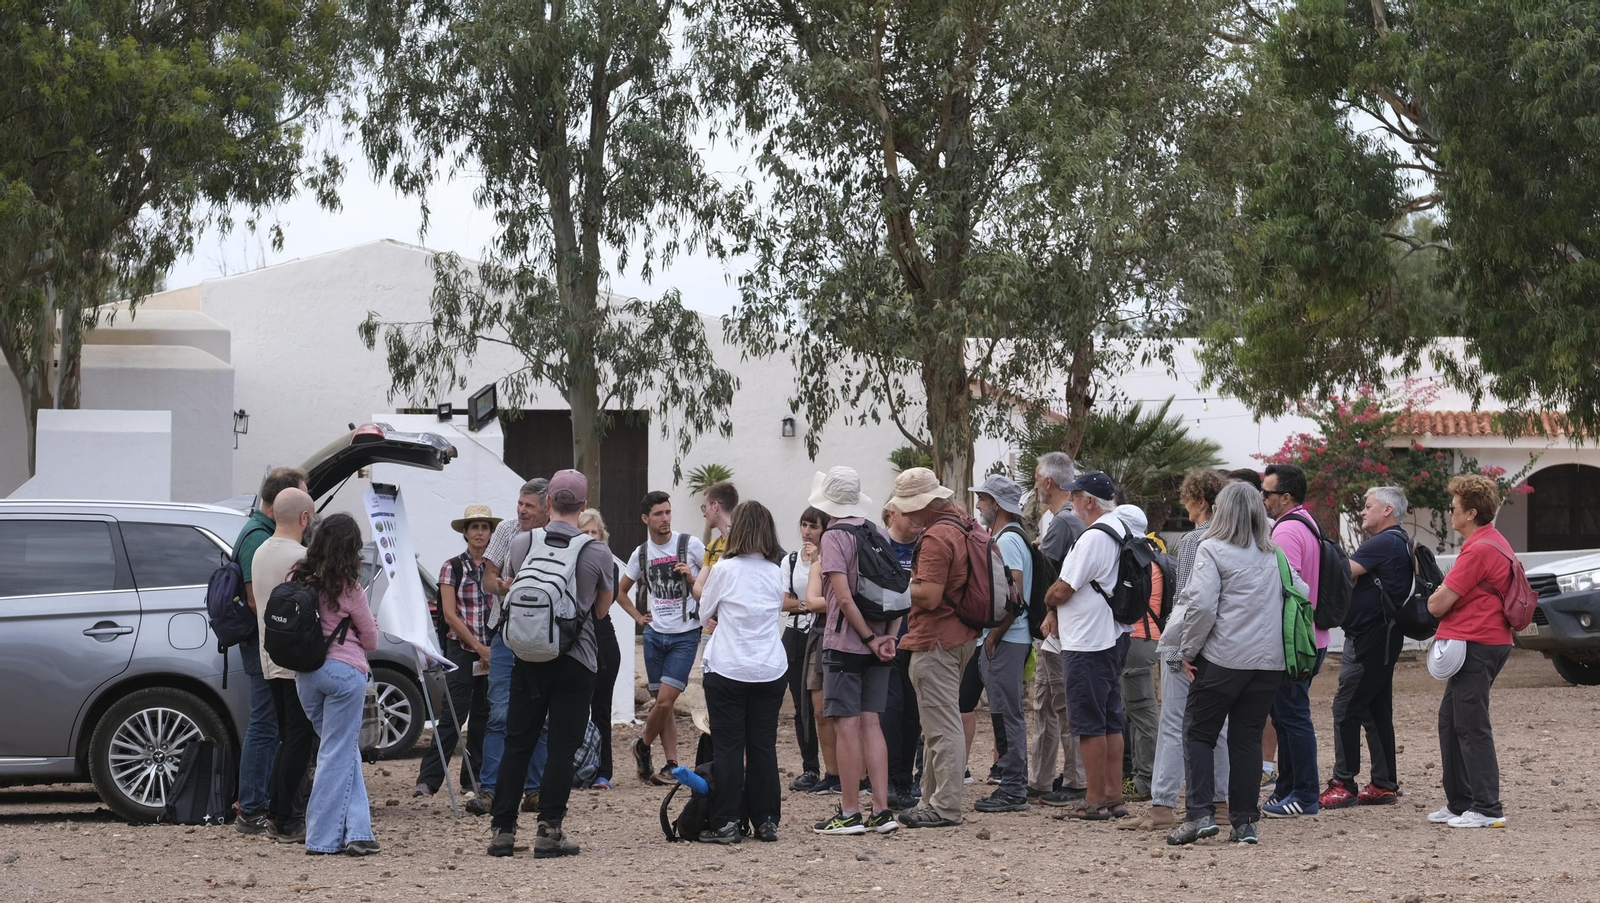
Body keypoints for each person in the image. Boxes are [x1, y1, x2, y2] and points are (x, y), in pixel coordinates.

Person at [488, 470, 616, 858]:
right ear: (583, 504)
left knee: (517, 740)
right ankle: (549, 830)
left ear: (547, 504)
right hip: (577, 659)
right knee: (562, 745)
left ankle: (503, 831)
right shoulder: (597, 551)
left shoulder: (523, 541)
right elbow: (602, 609)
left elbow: (512, 586)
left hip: (528, 655)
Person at [1163, 482, 1293, 846]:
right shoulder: (1274, 553)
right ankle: (1245, 821)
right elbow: (1300, 593)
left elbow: (1202, 606)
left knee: (1199, 733)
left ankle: (1199, 815)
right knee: (1248, 738)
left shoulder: (1213, 549)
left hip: (1223, 658)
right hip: (1268, 662)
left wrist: (1187, 651)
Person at [1127, 469, 1229, 832]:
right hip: (1225, 649)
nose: (1185, 507)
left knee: (1173, 724)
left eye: (1187, 499)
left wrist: (1176, 651)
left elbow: (1188, 600)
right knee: (1218, 728)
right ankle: (1221, 803)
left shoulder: (1194, 541)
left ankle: (1163, 805)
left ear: (1199, 500)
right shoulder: (1238, 538)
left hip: (1189, 645)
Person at [811, 467, 901, 836]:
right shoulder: (876, 531)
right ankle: (881, 810)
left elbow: (843, 598)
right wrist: (888, 638)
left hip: (847, 644)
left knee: (846, 726)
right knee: (871, 723)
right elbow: (899, 590)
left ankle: (849, 811)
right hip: (881, 643)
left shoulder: (834, 535)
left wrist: (865, 639)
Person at [891, 467, 981, 830]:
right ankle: (931, 799)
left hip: (936, 639)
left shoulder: (936, 537)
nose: (906, 514)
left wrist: (895, 587)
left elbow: (928, 595)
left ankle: (945, 805)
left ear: (922, 505)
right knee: (937, 724)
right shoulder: (964, 525)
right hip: (961, 636)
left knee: (941, 726)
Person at [1040, 470, 1131, 821]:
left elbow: (1064, 587)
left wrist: (1048, 601)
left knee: (1088, 722)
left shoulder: (1093, 537)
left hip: (1088, 641)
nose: (1072, 502)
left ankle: (1094, 799)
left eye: (1075, 496)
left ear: (1089, 501)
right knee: (1110, 719)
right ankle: (1113, 795)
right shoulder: (1121, 529)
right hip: (1114, 634)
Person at [1425, 474, 1515, 829]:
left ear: (1471, 512)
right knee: (1451, 722)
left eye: (1455, 508)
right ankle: (1461, 802)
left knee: (1471, 725)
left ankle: (1487, 808)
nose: (1450, 513)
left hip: (1477, 643)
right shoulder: (1494, 542)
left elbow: (1438, 604)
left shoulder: (1477, 550)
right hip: (1486, 641)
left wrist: (1434, 597)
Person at [698, 501, 790, 843]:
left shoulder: (724, 568)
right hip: (769, 665)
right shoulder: (775, 570)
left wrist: (716, 617)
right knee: (763, 745)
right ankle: (766, 818)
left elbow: (704, 611)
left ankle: (726, 821)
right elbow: (775, 608)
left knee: (729, 746)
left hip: (729, 666)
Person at [292, 513, 382, 856]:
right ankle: (322, 839)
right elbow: (371, 640)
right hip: (344, 674)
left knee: (341, 753)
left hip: (305, 674)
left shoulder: (299, 576)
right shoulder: (349, 587)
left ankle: (359, 832)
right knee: (336, 755)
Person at [1321, 486, 1412, 810]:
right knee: (1375, 710)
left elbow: (1343, 573)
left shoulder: (1385, 541)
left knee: (1345, 709)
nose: (1363, 511)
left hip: (1370, 638)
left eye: (1368, 505)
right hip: (1384, 635)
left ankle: (1343, 783)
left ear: (1387, 510)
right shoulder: (1398, 541)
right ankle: (1383, 783)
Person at [233, 466, 309, 835]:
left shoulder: (261, 546)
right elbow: (256, 600)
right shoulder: (288, 552)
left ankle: (269, 808)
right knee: (276, 731)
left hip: (269, 652)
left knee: (278, 730)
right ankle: (260, 809)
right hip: (284, 654)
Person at [469, 478, 549, 813]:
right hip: (505, 632)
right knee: (499, 712)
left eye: (530, 506)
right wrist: (503, 588)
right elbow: (487, 578)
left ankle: (536, 790)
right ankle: (491, 791)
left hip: (544, 635)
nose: (522, 510)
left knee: (541, 714)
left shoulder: (556, 533)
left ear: (546, 507)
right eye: (520, 503)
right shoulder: (506, 530)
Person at [617, 491, 706, 785]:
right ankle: (671, 764)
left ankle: (641, 746)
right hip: (655, 636)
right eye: (658, 514)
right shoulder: (641, 553)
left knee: (665, 703)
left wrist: (692, 578)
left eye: (668, 512)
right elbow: (621, 591)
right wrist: (638, 618)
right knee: (661, 706)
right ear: (646, 518)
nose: (665, 519)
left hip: (685, 634)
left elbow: (715, 581)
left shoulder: (690, 545)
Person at [416, 505, 500, 799]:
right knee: (452, 716)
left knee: (483, 716)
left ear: (491, 532)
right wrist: (479, 648)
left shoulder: (496, 567)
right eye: (474, 527)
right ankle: (428, 780)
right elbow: (450, 615)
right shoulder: (451, 566)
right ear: (465, 533)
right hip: (463, 650)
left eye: (484, 527)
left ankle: (472, 778)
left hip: (491, 648)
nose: (479, 532)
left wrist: (491, 649)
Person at [250, 486, 316, 843]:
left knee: (285, 738)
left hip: (268, 656)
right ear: (304, 518)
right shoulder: (303, 557)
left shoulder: (259, 551)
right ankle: (286, 818)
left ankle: (276, 812)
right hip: (297, 662)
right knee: (299, 741)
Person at [1260, 463, 1326, 818]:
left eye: (1267, 493)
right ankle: (1287, 788)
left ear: (1285, 497)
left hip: (1295, 642)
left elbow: (1287, 587)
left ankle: (1305, 794)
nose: (1262, 498)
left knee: (1293, 715)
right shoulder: (1307, 523)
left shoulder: (1286, 532)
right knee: (1285, 716)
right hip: (1313, 637)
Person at [969, 475, 1034, 813]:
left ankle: (1013, 788)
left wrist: (993, 638)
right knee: (1003, 713)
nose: (979, 505)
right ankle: (1012, 784)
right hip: (1006, 639)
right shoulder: (1008, 537)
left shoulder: (1007, 541)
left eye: (982, 499)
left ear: (996, 503)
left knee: (1006, 715)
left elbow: (1015, 596)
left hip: (1006, 640)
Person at [1029, 451, 1089, 806]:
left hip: (1057, 628)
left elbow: (1048, 573)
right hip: (1055, 628)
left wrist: (1047, 611)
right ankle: (1042, 778)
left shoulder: (1063, 522)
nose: (1036, 484)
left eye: (1037, 478)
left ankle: (1075, 780)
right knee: (1047, 705)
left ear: (1048, 482)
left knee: (1061, 706)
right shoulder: (1062, 519)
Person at [1114, 504, 1161, 805]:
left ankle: (1145, 780)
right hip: (1149, 639)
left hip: (1137, 640)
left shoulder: (1134, 560)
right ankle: (1142, 776)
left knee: (1142, 713)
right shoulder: (1154, 555)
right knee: (1138, 711)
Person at [880, 505, 923, 810]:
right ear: (892, 514)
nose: (915, 520)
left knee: (912, 716)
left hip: (917, 640)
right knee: (889, 713)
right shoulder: (881, 544)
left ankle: (905, 780)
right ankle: (888, 781)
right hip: (888, 641)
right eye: (908, 514)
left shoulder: (926, 545)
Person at [577, 508, 625, 790]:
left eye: (595, 532)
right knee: (574, 710)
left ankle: (602, 770)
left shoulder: (609, 564)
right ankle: (576, 766)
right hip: (574, 642)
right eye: (585, 532)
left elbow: (600, 608)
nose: (591, 537)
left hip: (602, 640)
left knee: (601, 709)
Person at [781, 508, 826, 792]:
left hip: (821, 633)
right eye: (804, 525)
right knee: (801, 705)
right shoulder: (791, 559)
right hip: (796, 633)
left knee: (823, 704)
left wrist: (807, 601)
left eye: (814, 527)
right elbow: (784, 602)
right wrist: (807, 604)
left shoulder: (827, 560)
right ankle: (810, 767)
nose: (807, 531)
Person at [700, 481, 739, 569]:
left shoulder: (743, 542)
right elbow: (702, 582)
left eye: (704, 507)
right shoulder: (712, 547)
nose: (704, 514)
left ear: (715, 506)